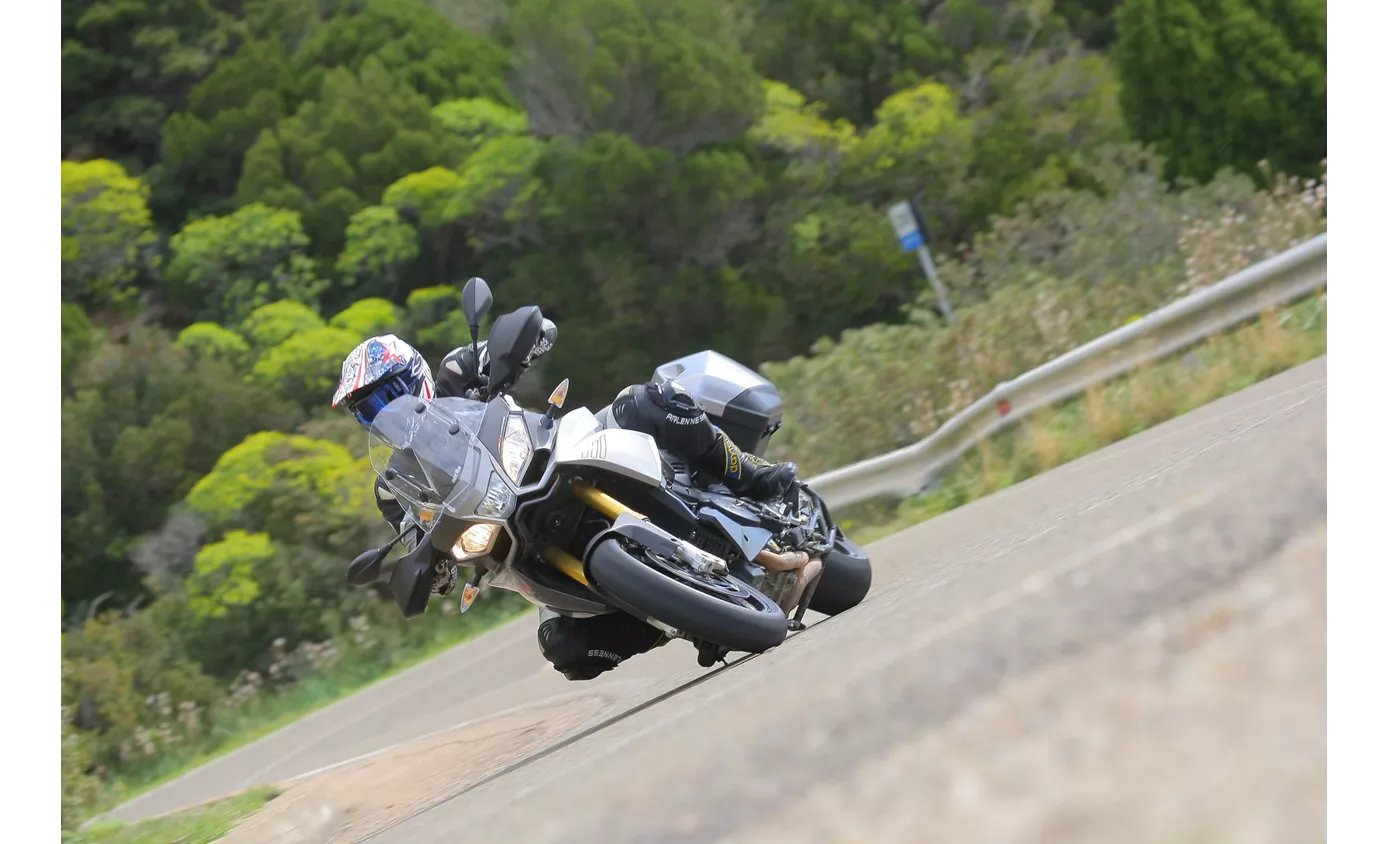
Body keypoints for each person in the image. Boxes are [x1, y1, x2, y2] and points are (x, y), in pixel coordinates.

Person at [331, 317, 799, 680]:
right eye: (368, 409)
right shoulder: (393, 484)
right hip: (515, 537)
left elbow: (537, 332)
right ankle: (682, 617)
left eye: (388, 395)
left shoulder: (458, 371)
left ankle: (749, 476)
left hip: (555, 454)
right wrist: (431, 571)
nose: (384, 411)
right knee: (566, 649)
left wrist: (527, 341)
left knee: (645, 401)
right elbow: (419, 539)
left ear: (413, 374)